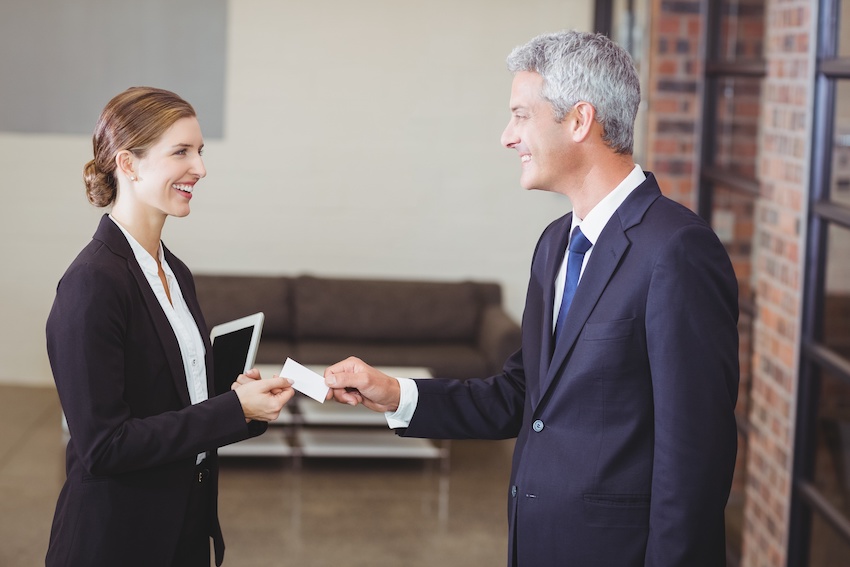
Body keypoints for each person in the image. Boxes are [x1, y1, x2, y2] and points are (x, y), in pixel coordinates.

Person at [323, 31, 739, 566]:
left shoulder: (677, 250)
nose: (507, 136)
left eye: (521, 115)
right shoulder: (554, 244)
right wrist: (394, 393)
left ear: (579, 120)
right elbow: (523, 398)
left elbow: (695, 458)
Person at [45, 86, 294, 567]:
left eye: (199, 151)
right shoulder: (91, 284)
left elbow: (174, 404)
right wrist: (230, 410)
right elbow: (104, 446)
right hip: (118, 540)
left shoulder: (173, 271)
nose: (199, 168)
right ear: (129, 163)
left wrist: (241, 407)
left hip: (182, 527)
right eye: (181, 151)